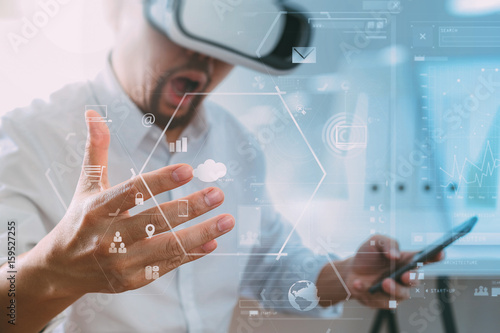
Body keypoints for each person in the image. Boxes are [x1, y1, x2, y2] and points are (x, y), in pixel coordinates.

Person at [0, 1, 442, 332]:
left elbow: (267, 268)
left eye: (231, 32)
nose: (204, 58)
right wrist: (49, 274)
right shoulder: (23, 142)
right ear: (120, 11)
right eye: (191, 26)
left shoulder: (238, 145)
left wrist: (345, 277)